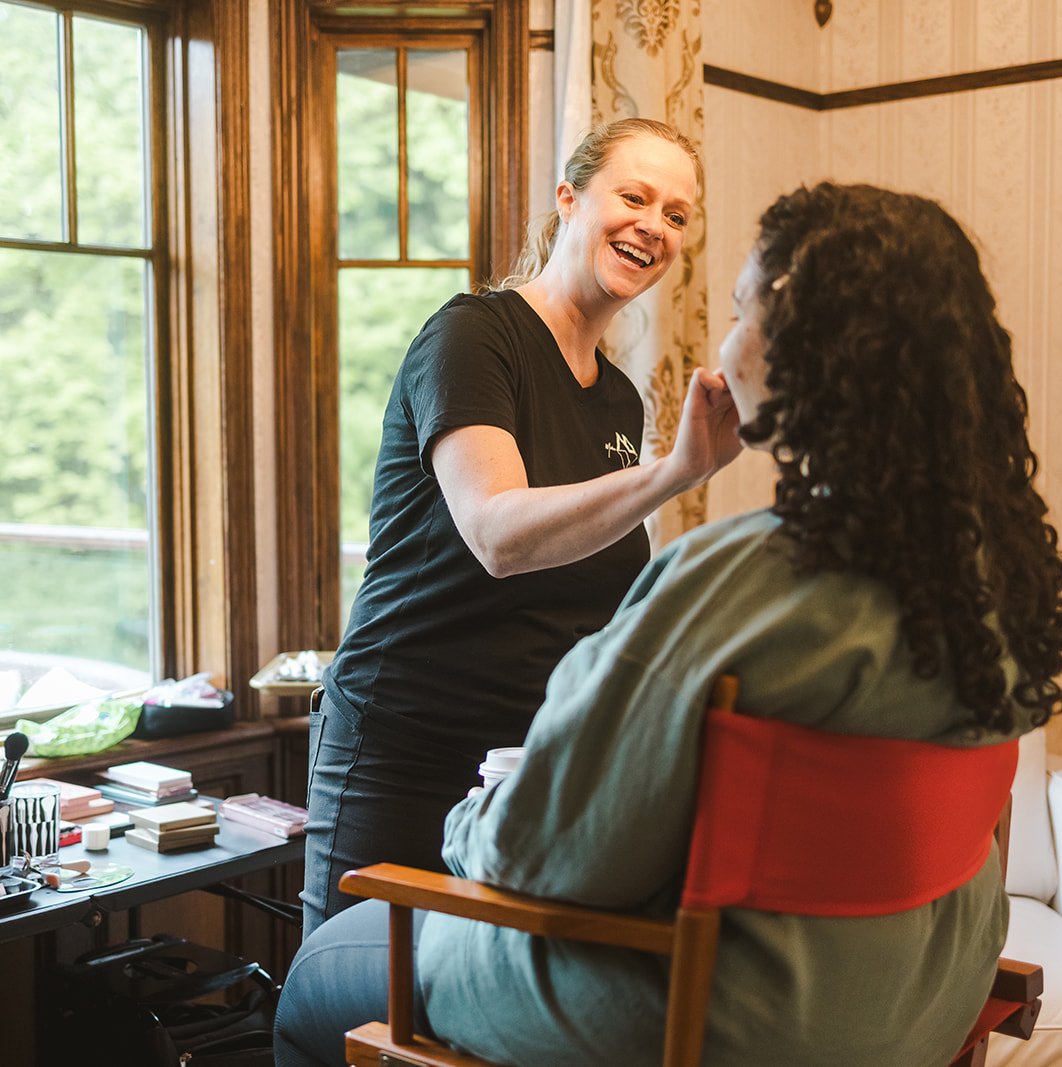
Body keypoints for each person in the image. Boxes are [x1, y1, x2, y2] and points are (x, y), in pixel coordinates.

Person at [273, 182, 1062, 1066]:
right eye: (635, 197)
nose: (726, 342)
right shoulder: (989, 583)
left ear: (800, 350)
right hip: (909, 1004)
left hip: (715, 1013)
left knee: (323, 963)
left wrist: (473, 818)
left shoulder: (738, 582)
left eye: (741, 312)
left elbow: (543, 855)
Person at [303, 119, 742, 934]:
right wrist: (675, 473)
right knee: (347, 1006)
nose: (655, 224)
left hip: (522, 766)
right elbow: (499, 535)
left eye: (677, 215)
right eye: (635, 196)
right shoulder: (474, 336)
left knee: (469, 1030)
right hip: (402, 743)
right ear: (570, 199)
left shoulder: (618, 398)